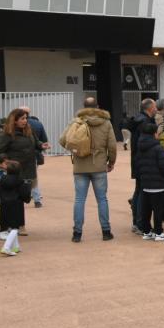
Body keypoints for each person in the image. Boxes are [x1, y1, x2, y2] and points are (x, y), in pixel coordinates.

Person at [59, 97, 117, 243]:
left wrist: (76, 150)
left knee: (79, 200)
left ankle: (77, 233)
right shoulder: (106, 122)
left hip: (80, 165)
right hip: (98, 165)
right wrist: (111, 162)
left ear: (83, 106)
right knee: (102, 199)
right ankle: (106, 231)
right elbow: (112, 146)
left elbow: (62, 140)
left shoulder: (76, 121)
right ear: (98, 106)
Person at [0, 108, 47, 230]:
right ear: (14, 120)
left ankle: (19, 225)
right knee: (11, 200)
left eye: (26, 118)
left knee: (21, 198)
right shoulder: (6, 134)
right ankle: (9, 226)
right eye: (22, 118)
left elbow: (36, 142)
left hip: (28, 170)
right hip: (12, 172)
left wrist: (41, 145)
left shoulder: (29, 130)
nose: (25, 121)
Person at [135, 122, 164, 242]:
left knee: (146, 209)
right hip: (158, 184)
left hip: (145, 183)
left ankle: (147, 232)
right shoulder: (158, 147)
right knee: (158, 210)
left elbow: (138, 164)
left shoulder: (140, 147)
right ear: (154, 133)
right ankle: (158, 233)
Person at [0, 160, 31, 256]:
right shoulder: (21, 182)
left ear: (7, 170)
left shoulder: (2, 181)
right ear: (19, 171)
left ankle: (16, 247)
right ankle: (6, 247)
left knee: (9, 228)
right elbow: (25, 196)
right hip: (17, 207)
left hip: (4, 207)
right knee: (15, 229)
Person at [129, 99, 157, 233]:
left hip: (138, 161)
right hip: (144, 162)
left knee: (139, 191)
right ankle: (140, 224)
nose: (156, 108)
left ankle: (137, 222)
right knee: (142, 193)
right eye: (155, 106)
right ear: (150, 108)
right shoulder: (145, 123)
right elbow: (146, 144)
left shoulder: (139, 120)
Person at [21, 106, 49, 207]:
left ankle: (24, 196)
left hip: (20, 156)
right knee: (33, 177)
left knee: (21, 177)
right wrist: (41, 146)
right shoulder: (38, 123)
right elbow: (43, 139)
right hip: (34, 155)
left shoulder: (15, 126)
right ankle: (37, 199)